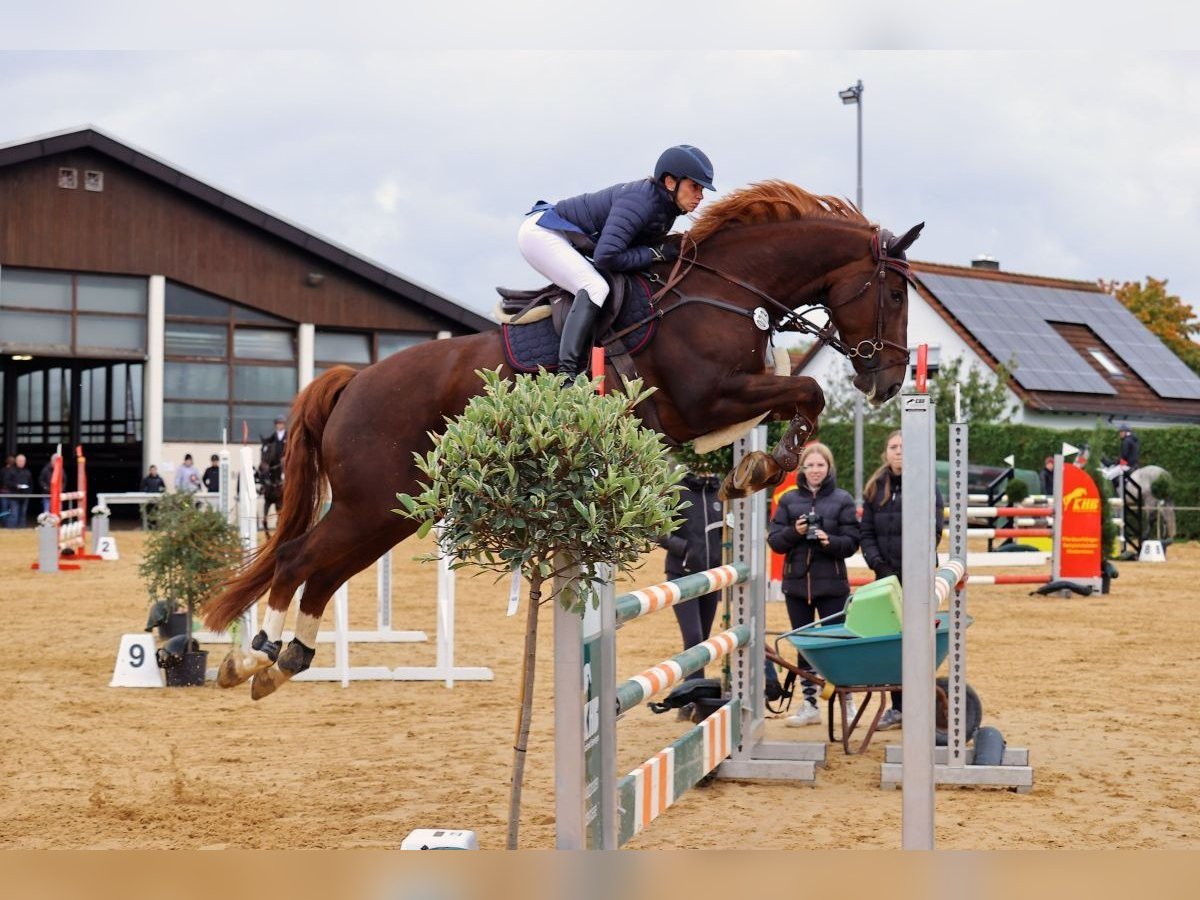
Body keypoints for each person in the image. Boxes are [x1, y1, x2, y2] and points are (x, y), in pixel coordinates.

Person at [518, 145, 716, 377]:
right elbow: (607, 257)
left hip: (568, 238)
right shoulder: (641, 201)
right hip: (543, 234)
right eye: (694, 187)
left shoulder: (665, 209)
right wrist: (655, 254)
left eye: (701, 189)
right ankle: (566, 374)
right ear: (671, 182)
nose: (700, 196)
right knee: (595, 286)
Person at [767, 442, 860, 727]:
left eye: (820, 465)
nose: (815, 470)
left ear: (828, 467)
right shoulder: (788, 500)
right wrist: (795, 532)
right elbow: (775, 541)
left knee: (838, 644)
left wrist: (829, 541)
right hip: (797, 586)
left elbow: (852, 543)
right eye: (810, 465)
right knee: (804, 646)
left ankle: (847, 700)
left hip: (832, 585)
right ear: (802, 468)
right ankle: (809, 704)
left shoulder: (843, 499)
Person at [859, 430, 945, 730]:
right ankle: (896, 708)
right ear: (886, 452)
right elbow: (866, 533)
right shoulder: (874, 488)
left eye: (903, 447)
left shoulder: (925, 484)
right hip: (884, 577)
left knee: (919, 641)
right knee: (892, 645)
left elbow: (934, 529)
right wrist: (878, 564)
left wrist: (916, 564)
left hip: (917, 575)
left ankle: (920, 706)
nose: (898, 452)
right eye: (893, 447)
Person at [3, 454, 34, 528]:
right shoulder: (10, 470)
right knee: (14, 514)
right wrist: (16, 486)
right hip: (14, 496)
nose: (21, 462)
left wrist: (29, 493)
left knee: (23, 514)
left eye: (23, 461)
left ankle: (22, 530)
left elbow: (31, 483)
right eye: (20, 461)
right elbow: (6, 482)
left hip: (24, 496)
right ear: (16, 461)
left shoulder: (27, 472)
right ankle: (11, 531)